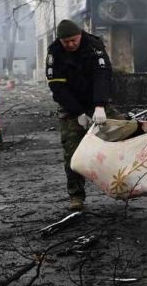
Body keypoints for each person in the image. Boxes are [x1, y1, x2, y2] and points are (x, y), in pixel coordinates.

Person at [46, 19, 119, 211]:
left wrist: (100, 105)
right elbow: (57, 87)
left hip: (96, 101)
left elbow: (102, 75)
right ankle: (76, 196)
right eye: (66, 42)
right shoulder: (55, 52)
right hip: (71, 106)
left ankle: (129, 182)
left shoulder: (94, 45)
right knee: (72, 152)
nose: (70, 44)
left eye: (73, 40)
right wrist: (77, 112)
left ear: (80, 35)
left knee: (125, 131)